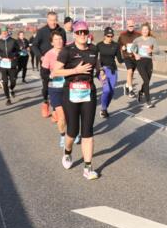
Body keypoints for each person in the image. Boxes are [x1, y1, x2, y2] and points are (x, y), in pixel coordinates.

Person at [53, 21, 100, 178]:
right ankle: (67, 152)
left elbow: (97, 67)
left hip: (88, 92)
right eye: (79, 32)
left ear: (88, 33)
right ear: (74, 34)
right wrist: (75, 70)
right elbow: (56, 72)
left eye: (84, 32)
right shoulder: (67, 51)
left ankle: (88, 168)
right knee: (72, 131)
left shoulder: (94, 49)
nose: (82, 35)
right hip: (71, 92)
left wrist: (101, 74)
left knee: (87, 131)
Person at [31, 12, 67, 118]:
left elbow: (64, 44)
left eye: (55, 20)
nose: (53, 22)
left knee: (61, 84)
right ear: (47, 20)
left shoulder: (61, 31)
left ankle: (56, 109)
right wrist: (41, 57)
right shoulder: (42, 31)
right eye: (51, 20)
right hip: (46, 61)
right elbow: (34, 46)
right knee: (46, 86)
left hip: (60, 60)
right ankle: (45, 102)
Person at [41, 33, 69, 148]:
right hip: (55, 88)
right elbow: (43, 73)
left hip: (68, 87)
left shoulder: (68, 52)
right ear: (52, 42)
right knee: (61, 115)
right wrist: (51, 75)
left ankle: (73, 132)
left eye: (60, 38)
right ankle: (63, 135)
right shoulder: (48, 55)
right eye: (56, 39)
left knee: (71, 114)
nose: (59, 41)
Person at [96, 26, 123, 118]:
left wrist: (129, 55)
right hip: (102, 70)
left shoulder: (116, 45)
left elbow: (120, 60)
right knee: (106, 90)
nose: (110, 38)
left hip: (112, 71)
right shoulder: (99, 45)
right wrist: (100, 70)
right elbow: (95, 59)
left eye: (112, 36)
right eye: (108, 36)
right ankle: (103, 109)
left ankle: (104, 109)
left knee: (111, 92)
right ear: (104, 36)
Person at [0, 28, 21, 105]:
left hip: (12, 63)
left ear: (8, 32)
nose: (4, 33)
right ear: (1, 33)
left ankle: (11, 89)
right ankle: (8, 98)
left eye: (5, 32)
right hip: (3, 64)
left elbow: (18, 51)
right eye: (3, 32)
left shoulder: (13, 41)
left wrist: (14, 57)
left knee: (13, 81)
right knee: (5, 82)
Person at [132, 23, 157, 107]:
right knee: (146, 81)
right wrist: (136, 55)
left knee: (147, 81)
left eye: (146, 29)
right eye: (143, 30)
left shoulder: (152, 40)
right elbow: (132, 48)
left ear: (149, 31)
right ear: (141, 31)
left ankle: (141, 92)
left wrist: (152, 51)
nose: (145, 31)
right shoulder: (137, 40)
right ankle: (148, 101)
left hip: (149, 62)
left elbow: (158, 50)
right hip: (140, 61)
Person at [117, 20, 141, 98]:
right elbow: (118, 44)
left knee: (132, 73)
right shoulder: (122, 35)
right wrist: (122, 47)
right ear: (127, 26)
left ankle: (127, 85)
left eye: (132, 26)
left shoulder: (138, 35)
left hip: (135, 56)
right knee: (129, 71)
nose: (131, 27)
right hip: (127, 56)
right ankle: (131, 90)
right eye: (129, 26)